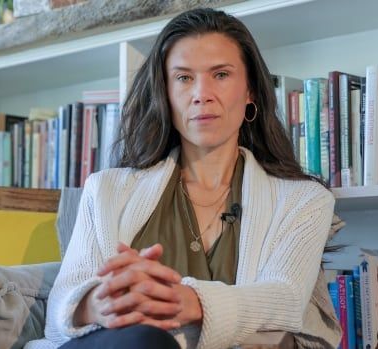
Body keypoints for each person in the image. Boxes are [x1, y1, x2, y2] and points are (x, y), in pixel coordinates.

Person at [38, 7, 341, 349]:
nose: (201, 94)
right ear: (165, 94)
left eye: (221, 75)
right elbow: (57, 320)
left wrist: (188, 301)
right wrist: (101, 303)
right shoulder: (106, 189)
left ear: (251, 91)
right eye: (184, 78)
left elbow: (284, 301)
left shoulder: (305, 200)